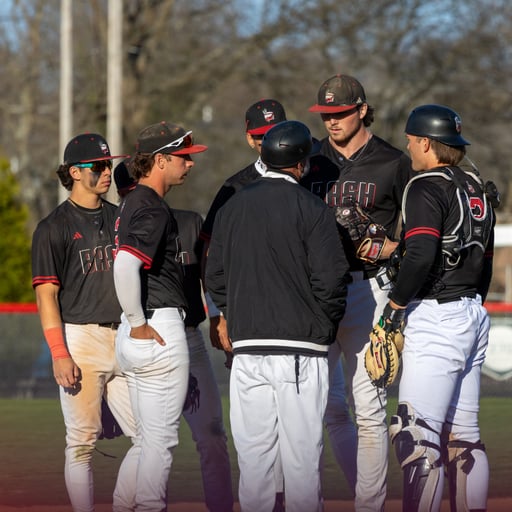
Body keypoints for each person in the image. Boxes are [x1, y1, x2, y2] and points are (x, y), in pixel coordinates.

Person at [205, 120, 350, 511]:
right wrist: (322, 326)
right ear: (300, 164)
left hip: (247, 351)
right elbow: (333, 280)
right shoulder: (313, 207)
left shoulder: (232, 207)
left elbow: (214, 276)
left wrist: (236, 313)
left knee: (255, 461)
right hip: (300, 349)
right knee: (302, 461)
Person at [303, 73, 413, 510]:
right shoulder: (309, 159)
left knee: (368, 407)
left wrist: (395, 247)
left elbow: (419, 229)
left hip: (368, 289)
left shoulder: (393, 161)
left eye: (341, 112)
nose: (332, 120)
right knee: (314, 409)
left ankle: (370, 505)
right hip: (314, 293)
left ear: (363, 110)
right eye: (325, 114)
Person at [384, 104, 495, 511]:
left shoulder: (426, 185)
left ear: (428, 143)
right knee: (464, 438)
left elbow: (420, 254)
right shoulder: (476, 186)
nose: (409, 148)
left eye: (412, 141)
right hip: (472, 312)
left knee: (415, 435)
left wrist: (394, 305)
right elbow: (485, 261)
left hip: (436, 315)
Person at [113, 160, 234, 512]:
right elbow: (124, 275)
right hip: (152, 335)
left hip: (187, 336)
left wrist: (217, 317)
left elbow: (209, 274)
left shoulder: (187, 221)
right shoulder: (133, 221)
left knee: (210, 433)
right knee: (152, 442)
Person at [31, 133, 137, 512]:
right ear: (75, 172)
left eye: (109, 164)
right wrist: (59, 353)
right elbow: (46, 295)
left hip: (125, 337)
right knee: (81, 443)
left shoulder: (120, 217)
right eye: (98, 166)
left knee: (150, 436)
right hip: (82, 340)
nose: (107, 171)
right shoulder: (53, 227)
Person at [200, 98, 287, 355]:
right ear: (250, 139)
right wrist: (216, 313)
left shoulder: (307, 175)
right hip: (249, 307)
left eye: (275, 132)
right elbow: (209, 253)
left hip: (298, 306)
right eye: (261, 136)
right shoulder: (235, 187)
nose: (269, 141)